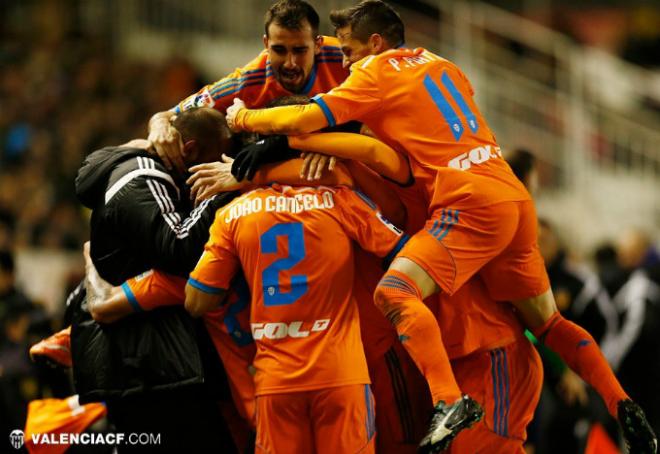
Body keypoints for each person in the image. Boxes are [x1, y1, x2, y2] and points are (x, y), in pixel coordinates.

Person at [224, 2, 657, 452]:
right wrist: (276, 161)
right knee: (549, 323)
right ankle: (622, 402)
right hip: (502, 200)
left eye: (350, 54)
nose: (346, 67)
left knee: (394, 291)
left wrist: (253, 124)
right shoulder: (440, 73)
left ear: (374, 45)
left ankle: (448, 402)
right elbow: (349, 158)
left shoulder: (397, 144)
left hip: (489, 349)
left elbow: (343, 139)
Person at [184, 177, 411, 454]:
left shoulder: (231, 214)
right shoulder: (339, 199)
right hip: (340, 374)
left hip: (276, 381)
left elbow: (197, 302)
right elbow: (402, 250)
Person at [148, 0, 349, 173]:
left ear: (318, 44)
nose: (290, 63)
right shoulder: (244, 83)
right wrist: (159, 125)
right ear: (265, 44)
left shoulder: (350, 58)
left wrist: (329, 144)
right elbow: (167, 115)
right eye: (279, 50)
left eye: (300, 50)